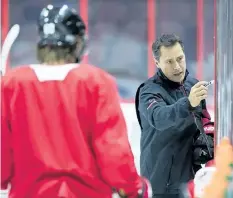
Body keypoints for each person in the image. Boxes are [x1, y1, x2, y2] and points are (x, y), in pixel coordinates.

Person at [1, 5, 151, 198]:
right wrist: (134, 189)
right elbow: (112, 151)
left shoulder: (12, 84)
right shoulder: (96, 82)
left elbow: (2, 160)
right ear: (78, 43)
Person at [135, 34, 214, 198]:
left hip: (189, 181)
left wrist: (208, 135)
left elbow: (204, 118)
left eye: (180, 58)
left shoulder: (193, 85)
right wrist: (188, 103)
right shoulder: (148, 92)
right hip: (160, 185)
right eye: (169, 61)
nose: (177, 66)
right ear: (157, 63)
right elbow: (159, 117)